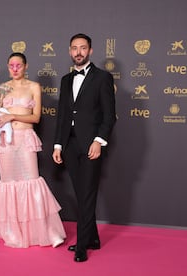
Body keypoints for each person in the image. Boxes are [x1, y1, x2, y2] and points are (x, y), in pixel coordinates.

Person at [0, 52, 66, 248]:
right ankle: (14, 232)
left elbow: (35, 118)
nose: (15, 69)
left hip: (25, 140)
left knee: (31, 182)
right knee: (9, 183)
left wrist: (11, 116)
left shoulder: (34, 87)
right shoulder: (2, 88)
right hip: (6, 142)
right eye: (11, 66)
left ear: (25, 66)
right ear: (7, 67)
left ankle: (42, 232)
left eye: (19, 65)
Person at [52, 33, 116, 262]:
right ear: (70, 51)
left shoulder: (102, 78)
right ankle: (93, 238)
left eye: (82, 48)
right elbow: (62, 115)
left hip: (91, 144)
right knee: (82, 193)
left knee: (87, 193)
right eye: (74, 48)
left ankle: (82, 245)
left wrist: (99, 141)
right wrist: (58, 144)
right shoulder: (66, 80)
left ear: (90, 51)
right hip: (69, 145)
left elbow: (109, 116)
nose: (78, 52)